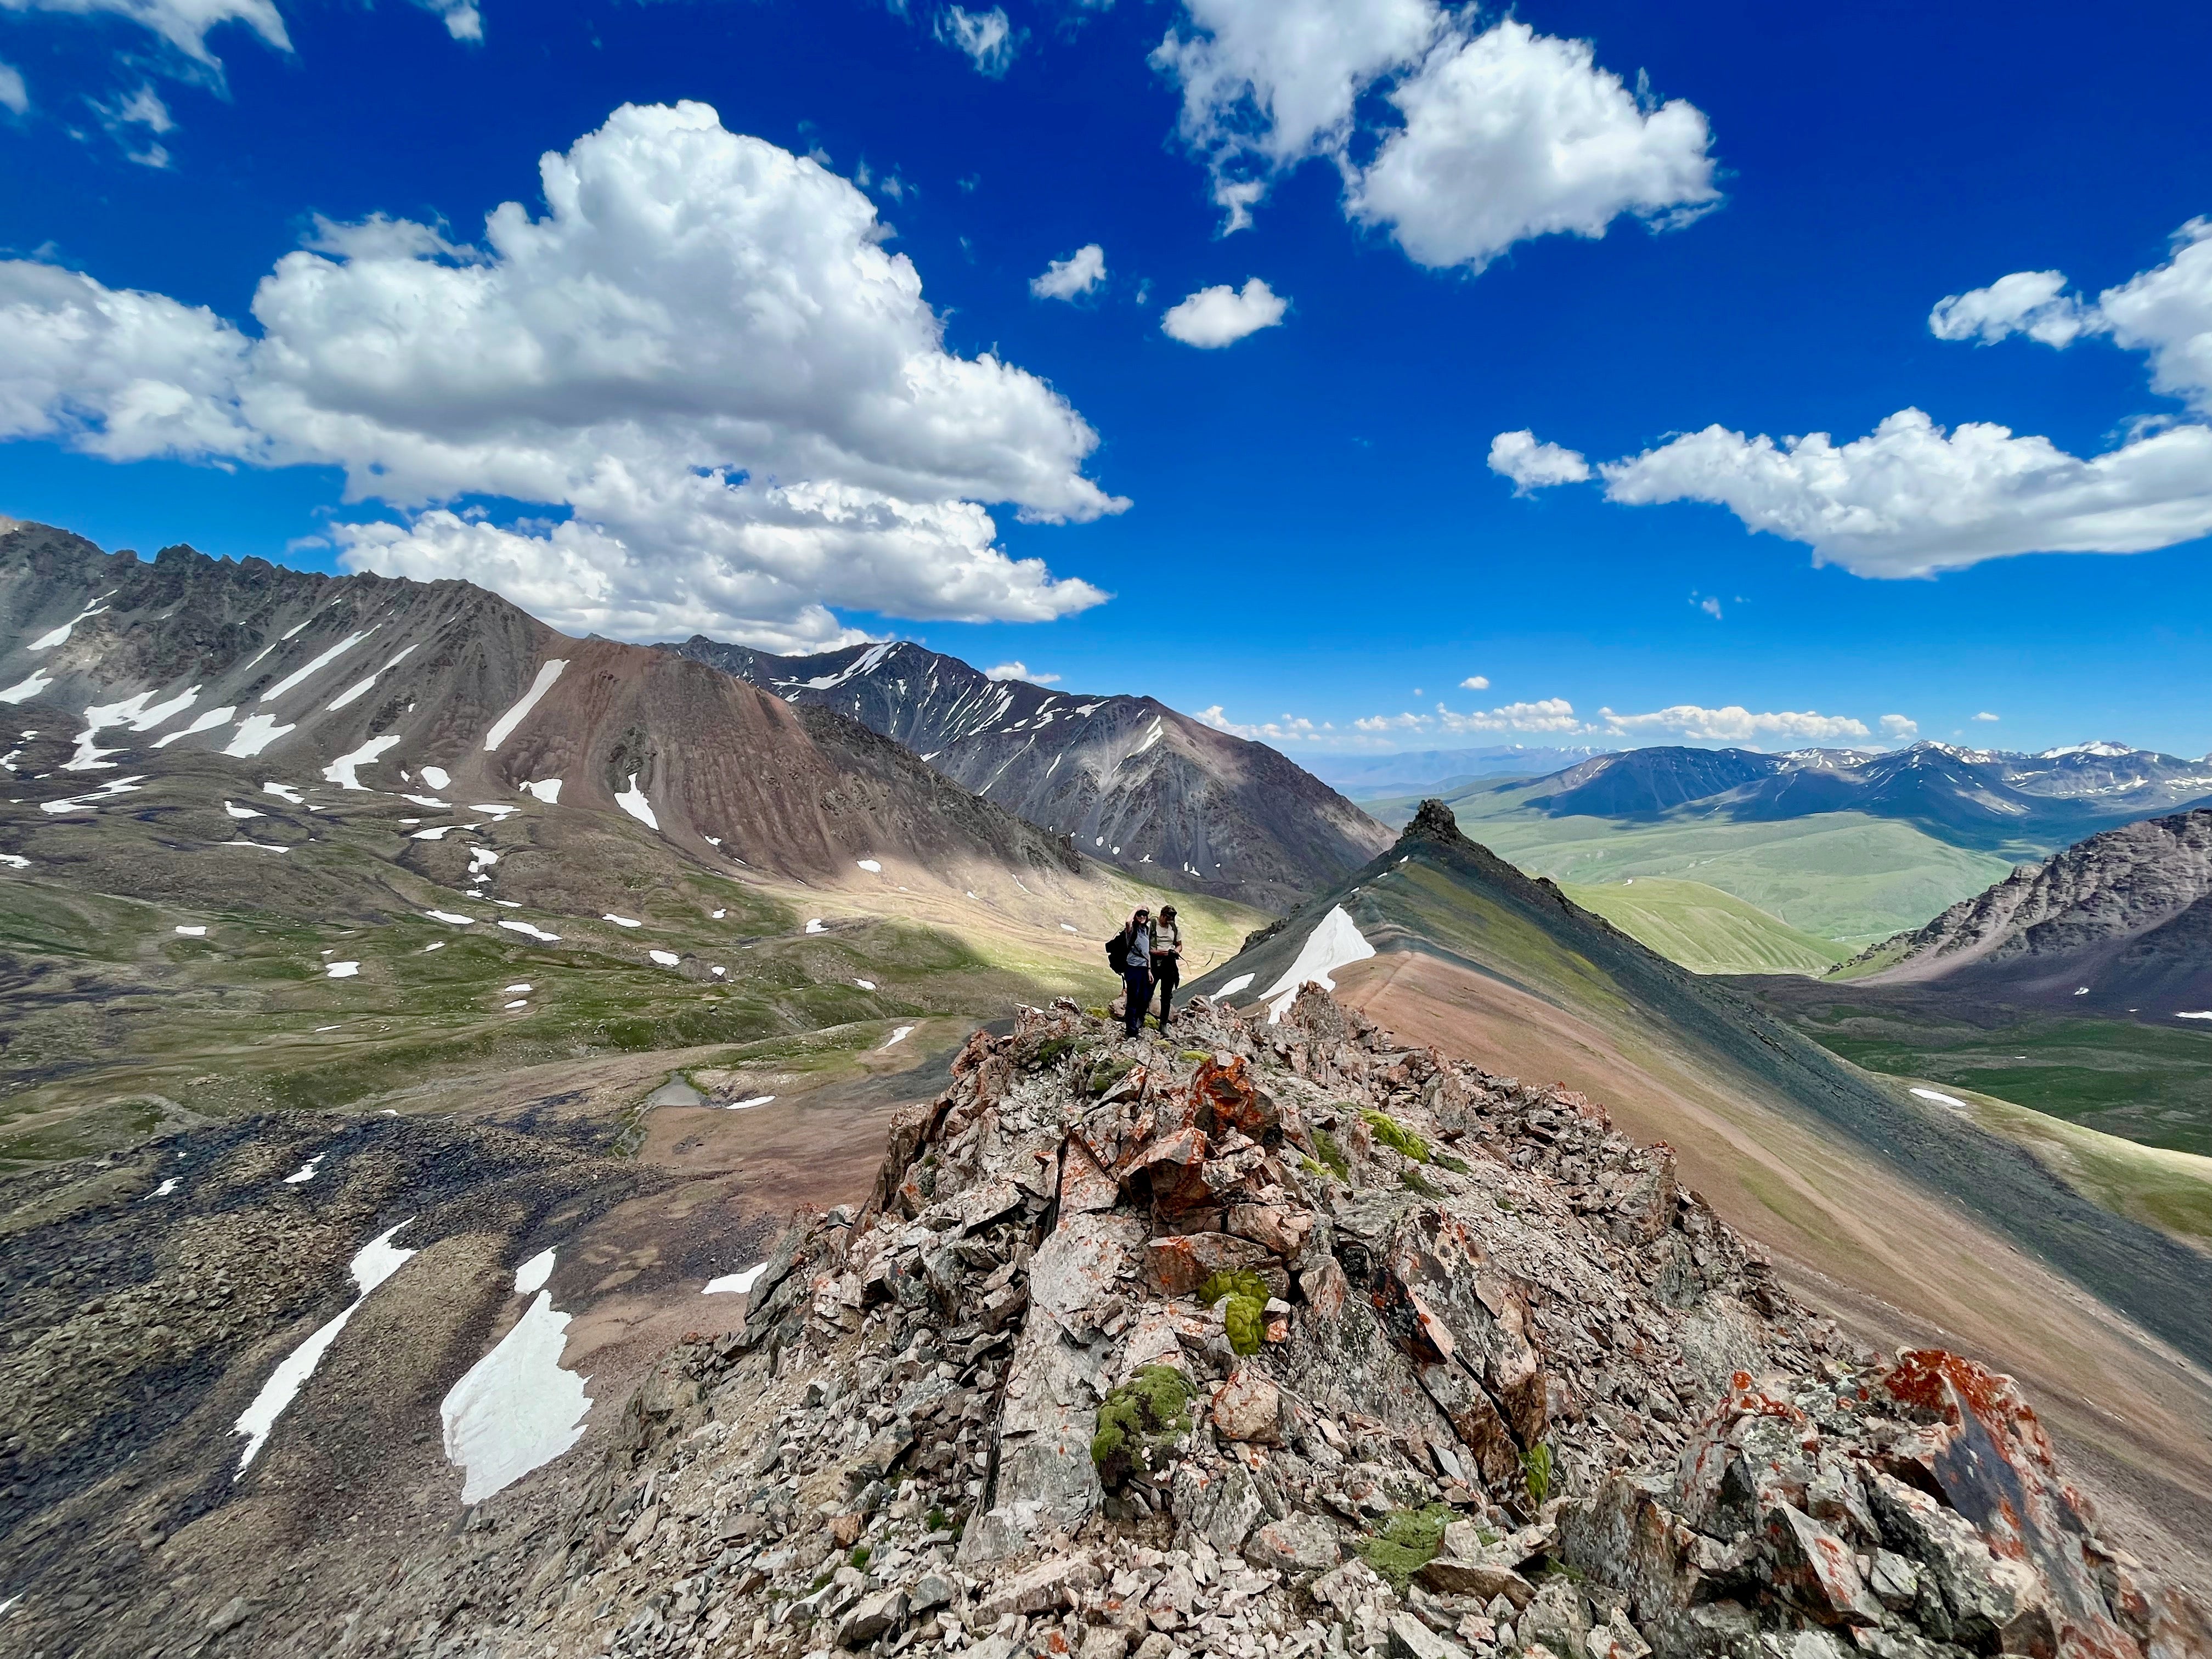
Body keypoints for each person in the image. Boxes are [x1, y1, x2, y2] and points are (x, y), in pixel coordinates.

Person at [1119, 906, 1153, 1039]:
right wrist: (1137, 908)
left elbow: (1147, 952)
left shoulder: (1146, 930)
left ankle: (1136, 1023)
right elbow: (1127, 922)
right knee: (1133, 999)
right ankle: (1131, 1031)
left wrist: (1149, 970)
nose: (1142, 917)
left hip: (1144, 968)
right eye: (1140, 915)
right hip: (1133, 967)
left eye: (1144, 915)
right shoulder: (1131, 930)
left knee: (1144, 998)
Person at [1150, 904, 1183, 1028]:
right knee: (1148, 992)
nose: (1169, 922)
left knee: (1166, 996)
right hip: (1154, 963)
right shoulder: (1152, 926)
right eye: (1167, 919)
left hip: (1169, 963)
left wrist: (1177, 951)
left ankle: (1163, 1024)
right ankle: (1140, 1017)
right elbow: (1145, 945)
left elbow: (1179, 945)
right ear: (1162, 915)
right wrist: (1156, 952)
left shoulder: (1174, 928)